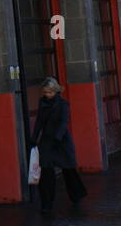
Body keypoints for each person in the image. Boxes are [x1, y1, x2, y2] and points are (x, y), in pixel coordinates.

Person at [30, 77, 87, 213]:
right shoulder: (42, 103)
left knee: (69, 170)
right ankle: (47, 204)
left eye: (50, 92)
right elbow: (39, 122)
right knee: (46, 173)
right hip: (47, 141)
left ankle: (76, 196)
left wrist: (58, 136)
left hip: (62, 141)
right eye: (45, 92)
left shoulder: (63, 104)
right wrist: (34, 137)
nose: (47, 95)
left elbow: (64, 121)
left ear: (55, 90)